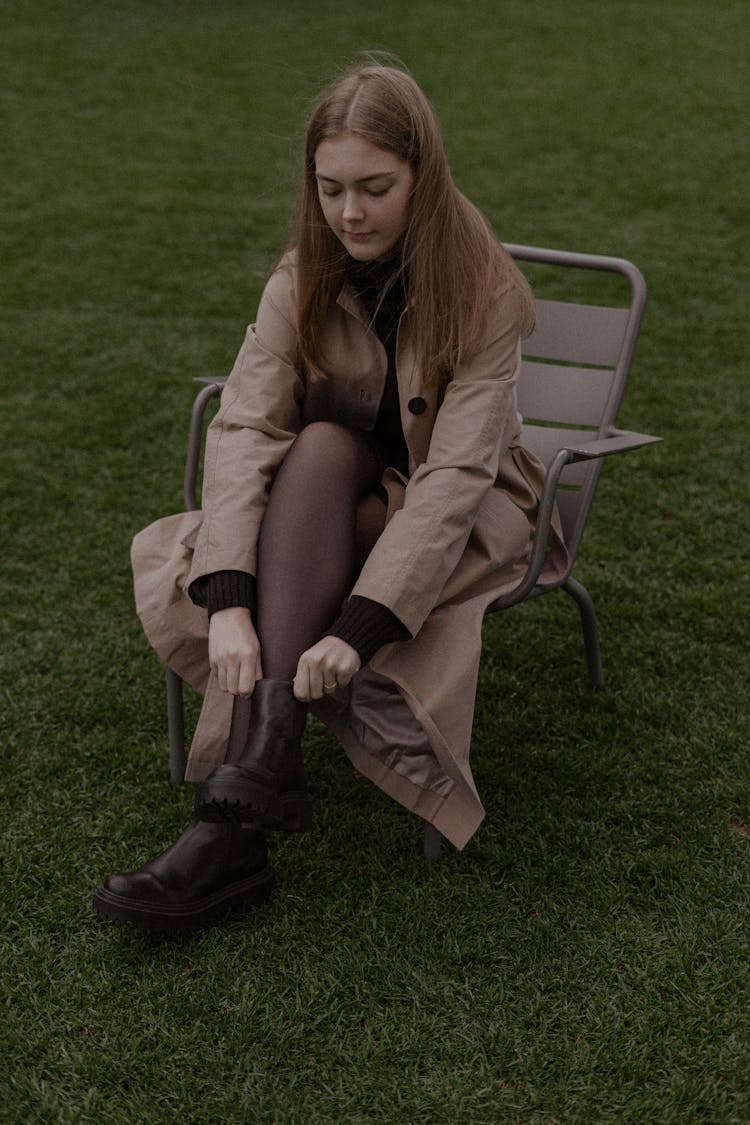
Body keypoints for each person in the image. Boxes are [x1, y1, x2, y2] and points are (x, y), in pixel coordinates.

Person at [93, 62, 564, 930]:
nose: (349, 214)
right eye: (331, 189)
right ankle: (260, 773)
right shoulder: (299, 276)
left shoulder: (487, 291)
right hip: (327, 498)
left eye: (375, 188)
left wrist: (359, 629)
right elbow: (241, 426)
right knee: (313, 448)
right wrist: (227, 597)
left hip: (454, 510)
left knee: (330, 505)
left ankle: (231, 820)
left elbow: (456, 477)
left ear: (423, 176)